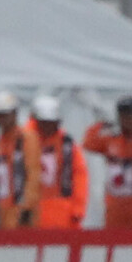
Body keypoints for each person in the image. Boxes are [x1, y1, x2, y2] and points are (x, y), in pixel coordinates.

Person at [31, 95, 90, 230]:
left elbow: (80, 175)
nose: (48, 126)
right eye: (44, 122)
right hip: (32, 213)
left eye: (51, 122)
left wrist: (78, 208)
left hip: (62, 212)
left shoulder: (67, 145)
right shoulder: (26, 142)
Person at [81, 95, 132, 229]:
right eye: (124, 116)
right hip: (116, 201)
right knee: (114, 236)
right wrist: (102, 124)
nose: (127, 120)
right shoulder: (112, 138)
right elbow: (88, 143)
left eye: (130, 115)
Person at [0, 92, 42, 229]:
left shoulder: (27, 138)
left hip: (20, 214)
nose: (1, 119)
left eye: (5, 114)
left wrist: (27, 206)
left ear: (14, 113)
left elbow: (33, 174)